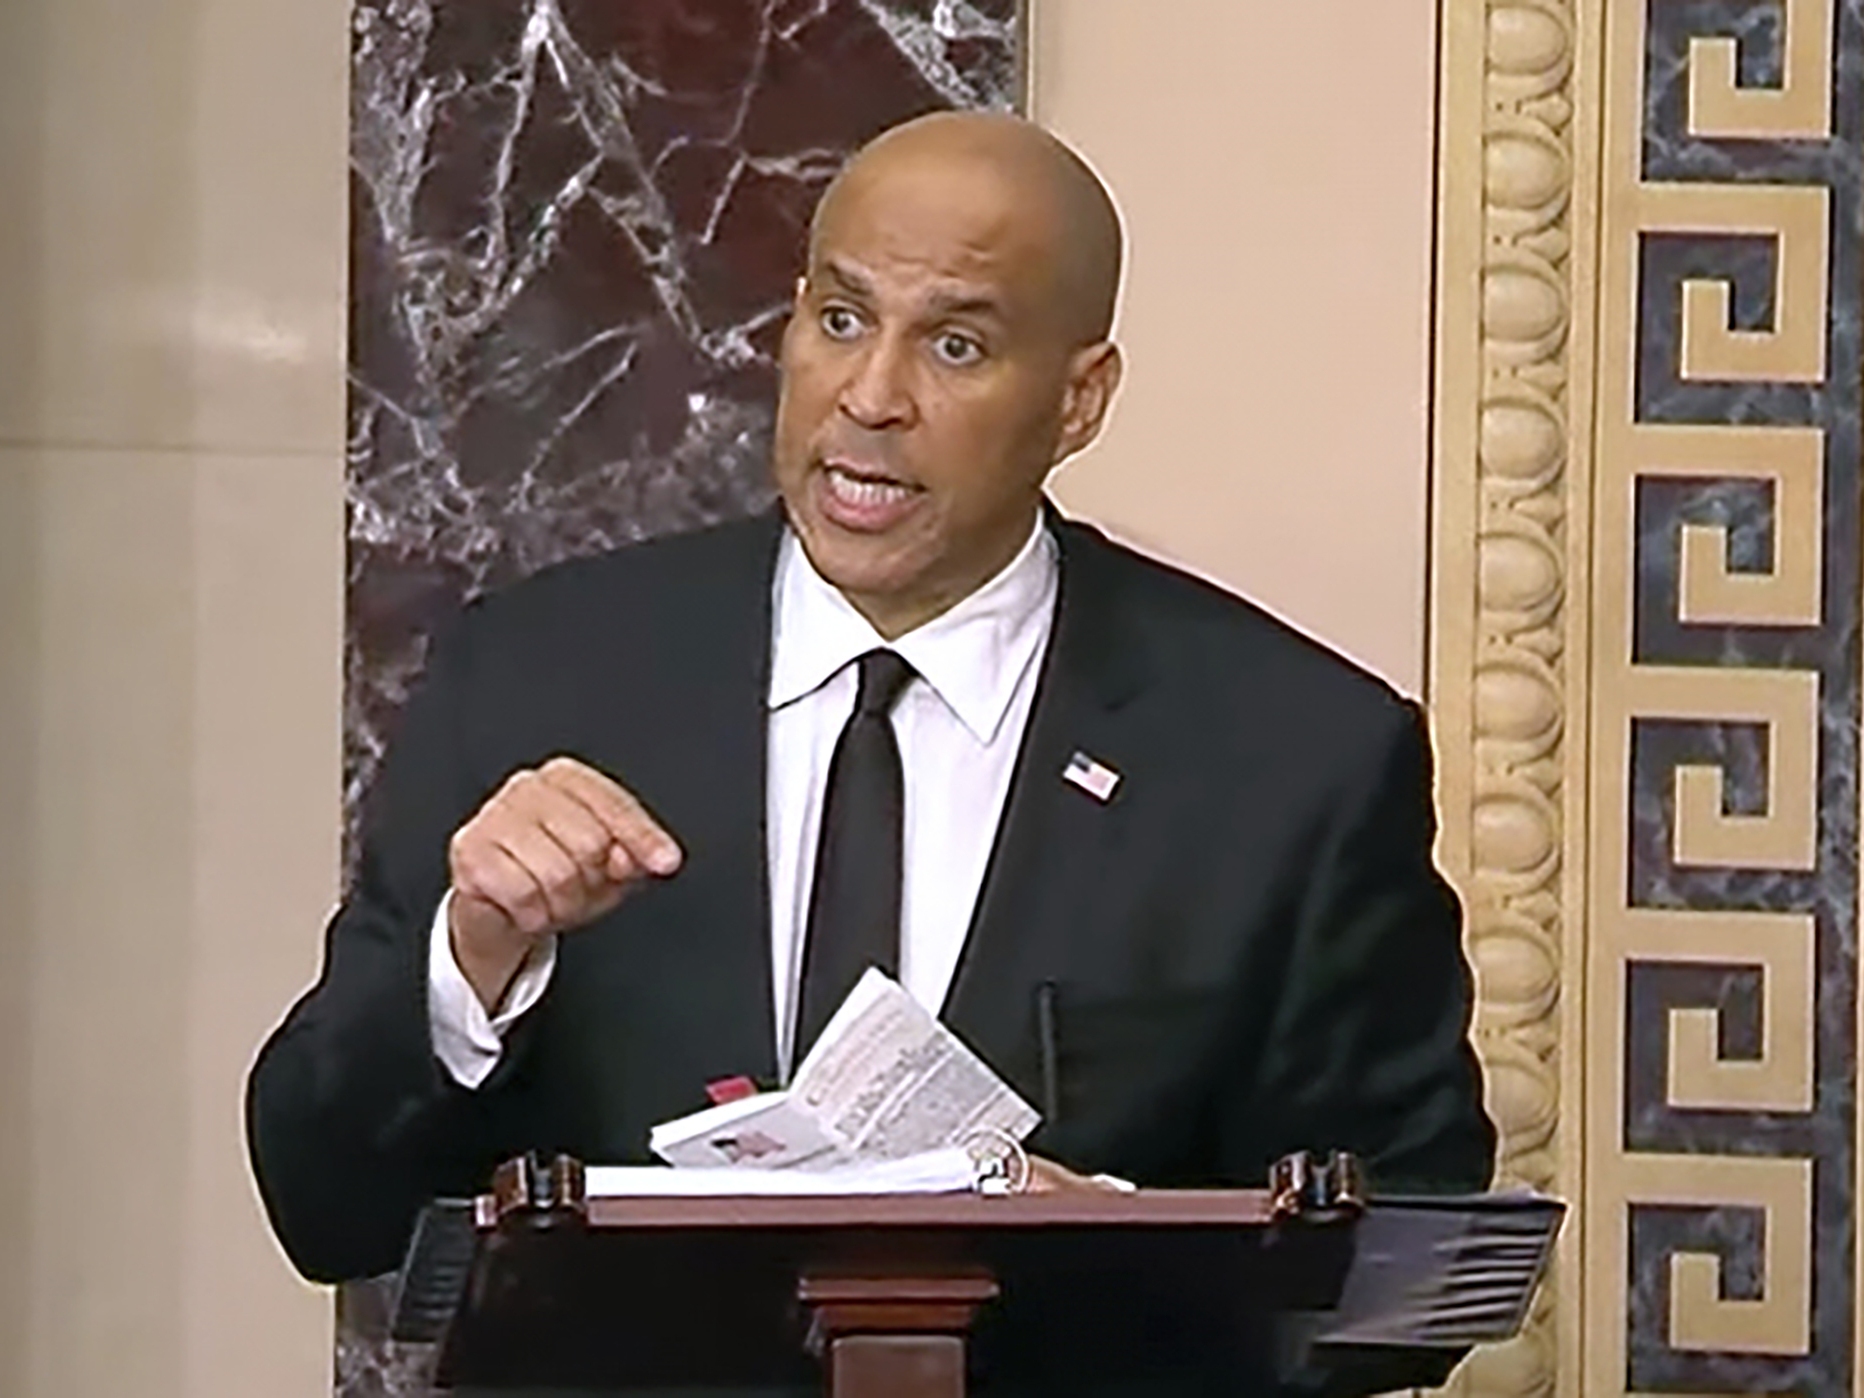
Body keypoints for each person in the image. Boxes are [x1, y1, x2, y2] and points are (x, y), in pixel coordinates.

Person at [247, 111, 1494, 1388]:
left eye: (954, 345)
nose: (872, 396)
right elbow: (320, 1198)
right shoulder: (538, 676)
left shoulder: (1292, 757)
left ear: (1078, 400)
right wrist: (472, 964)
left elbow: (1417, 1279)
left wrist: (1121, 1254)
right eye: (840, 321)